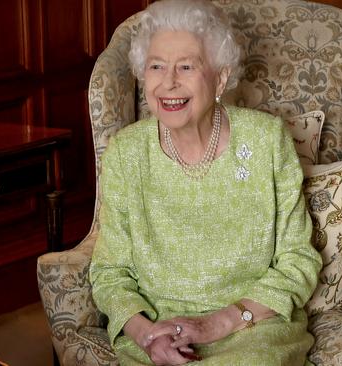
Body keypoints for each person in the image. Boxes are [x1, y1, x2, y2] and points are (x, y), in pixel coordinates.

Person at [89, 1, 322, 365]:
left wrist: (218, 323)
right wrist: (147, 335)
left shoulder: (266, 140)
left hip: (252, 329)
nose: (169, 82)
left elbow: (298, 261)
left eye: (186, 66)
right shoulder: (126, 152)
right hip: (159, 330)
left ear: (221, 77)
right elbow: (109, 273)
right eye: (156, 66)